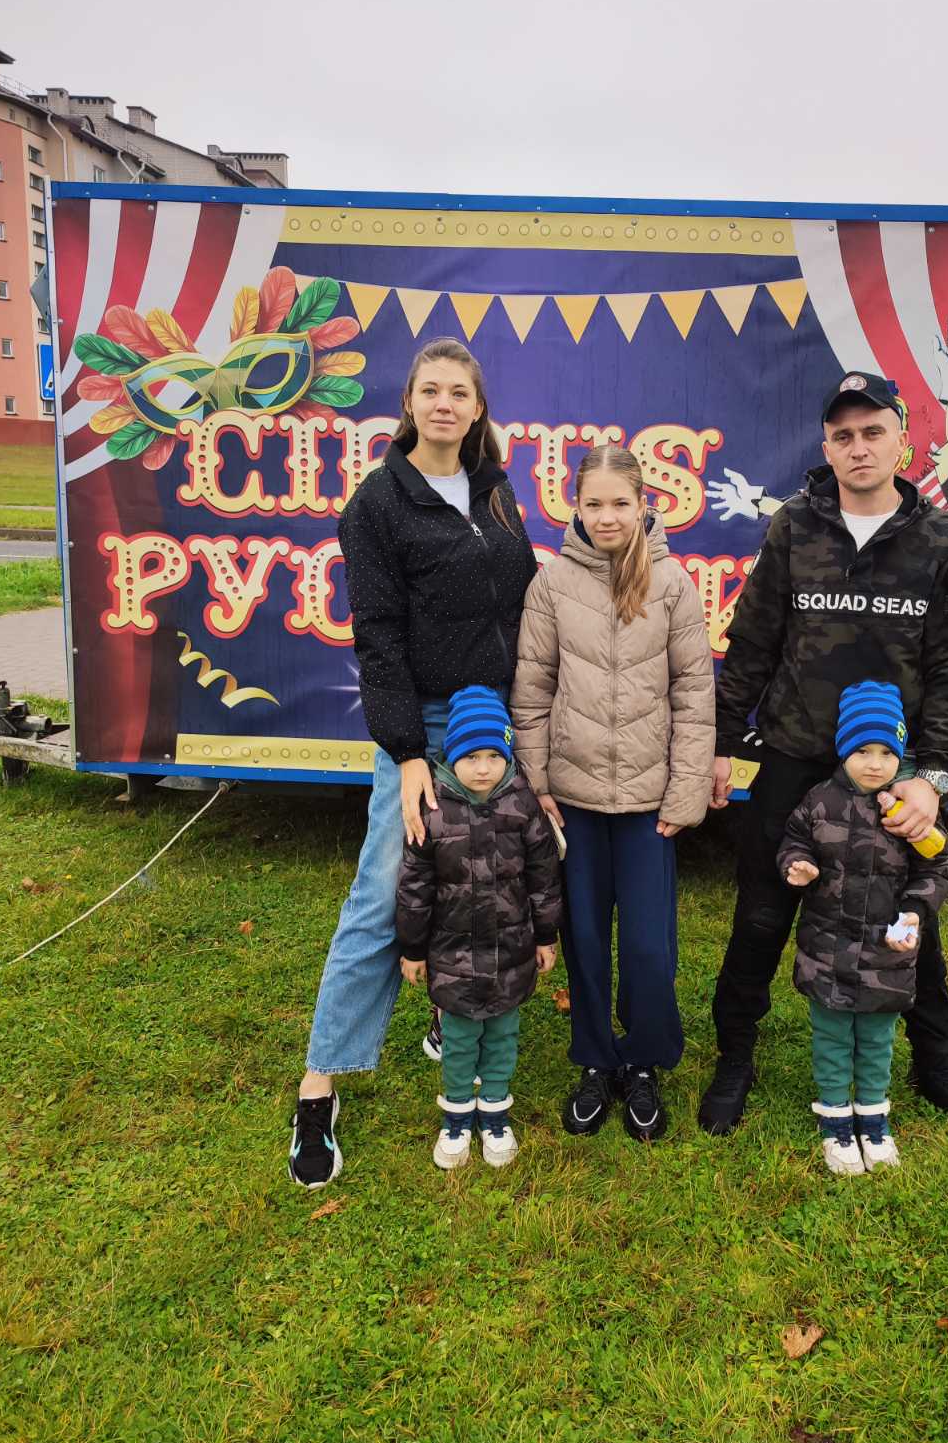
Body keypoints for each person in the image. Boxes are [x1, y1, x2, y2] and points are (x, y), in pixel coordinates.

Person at [698, 370, 948, 1137]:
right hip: (797, 759)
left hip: (893, 773)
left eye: (872, 432)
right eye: (843, 435)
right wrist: (722, 744)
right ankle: (735, 1057)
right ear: (827, 448)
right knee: (761, 914)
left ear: (902, 439)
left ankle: (935, 1067)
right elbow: (752, 644)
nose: (858, 447)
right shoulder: (795, 527)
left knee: (910, 923)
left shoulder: (940, 539)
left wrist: (933, 778)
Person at [288, 339, 537, 1190]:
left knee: (491, 878)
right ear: (409, 403)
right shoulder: (377, 505)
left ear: (477, 407)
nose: (443, 404)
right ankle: (319, 1084)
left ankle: (452, 1011)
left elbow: (522, 599)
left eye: (458, 392)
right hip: (427, 725)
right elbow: (379, 637)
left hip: (496, 719)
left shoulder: (496, 490)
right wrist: (404, 753)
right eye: (430, 390)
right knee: (383, 890)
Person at [511, 445, 715, 1142]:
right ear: (575, 506)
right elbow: (532, 690)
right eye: (593, 504)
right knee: (587, 941)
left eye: (619, 503)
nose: (607, 517)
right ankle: (596, 1060)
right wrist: (538, 783)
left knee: (650, 949)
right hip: (573, 802)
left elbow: (694, 695)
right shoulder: (552, 583)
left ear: (642, 504)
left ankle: (644, 1060)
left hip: (649, 807)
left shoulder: (672, 584)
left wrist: (685, 792)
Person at [777, 680, 948, 1176]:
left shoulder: (907, 812)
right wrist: (797, 865)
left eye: (887, 752)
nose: (875, 764)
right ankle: (835, 1118)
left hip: (886, 956)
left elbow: (938, 866)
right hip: (827, 951)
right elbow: (793, 841)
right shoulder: (819, 801)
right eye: (862, 750)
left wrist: (916, 910)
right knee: (832, 1037)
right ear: (842, 749)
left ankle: (874, 1117)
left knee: (878, 1040)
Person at [396, 686, 562, 1169]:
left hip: (512, 952)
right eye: (471, 756)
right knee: (461, 1039)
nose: (484, 767)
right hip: (453, 958)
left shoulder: (523, 805)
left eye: (494, 756)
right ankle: (455, 1118)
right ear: (452, 755)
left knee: (503, 1036)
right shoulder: (432, 811)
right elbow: (414, 887)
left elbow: (544, 878)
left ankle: (494, 1113)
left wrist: (546, 936)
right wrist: (413, 949)